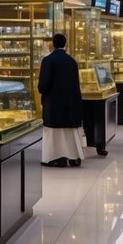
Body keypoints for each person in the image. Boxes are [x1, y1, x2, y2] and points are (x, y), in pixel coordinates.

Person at [38, 33, 85, 168]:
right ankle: (73, 157)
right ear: (65, 44)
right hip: (70, 103)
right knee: (70, 131)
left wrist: (41, 89)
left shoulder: (48, 60)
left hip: (53, 104)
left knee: (54, 132)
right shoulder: (72, 61)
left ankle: (55, 157)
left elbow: (44, 84)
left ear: (53, 43)